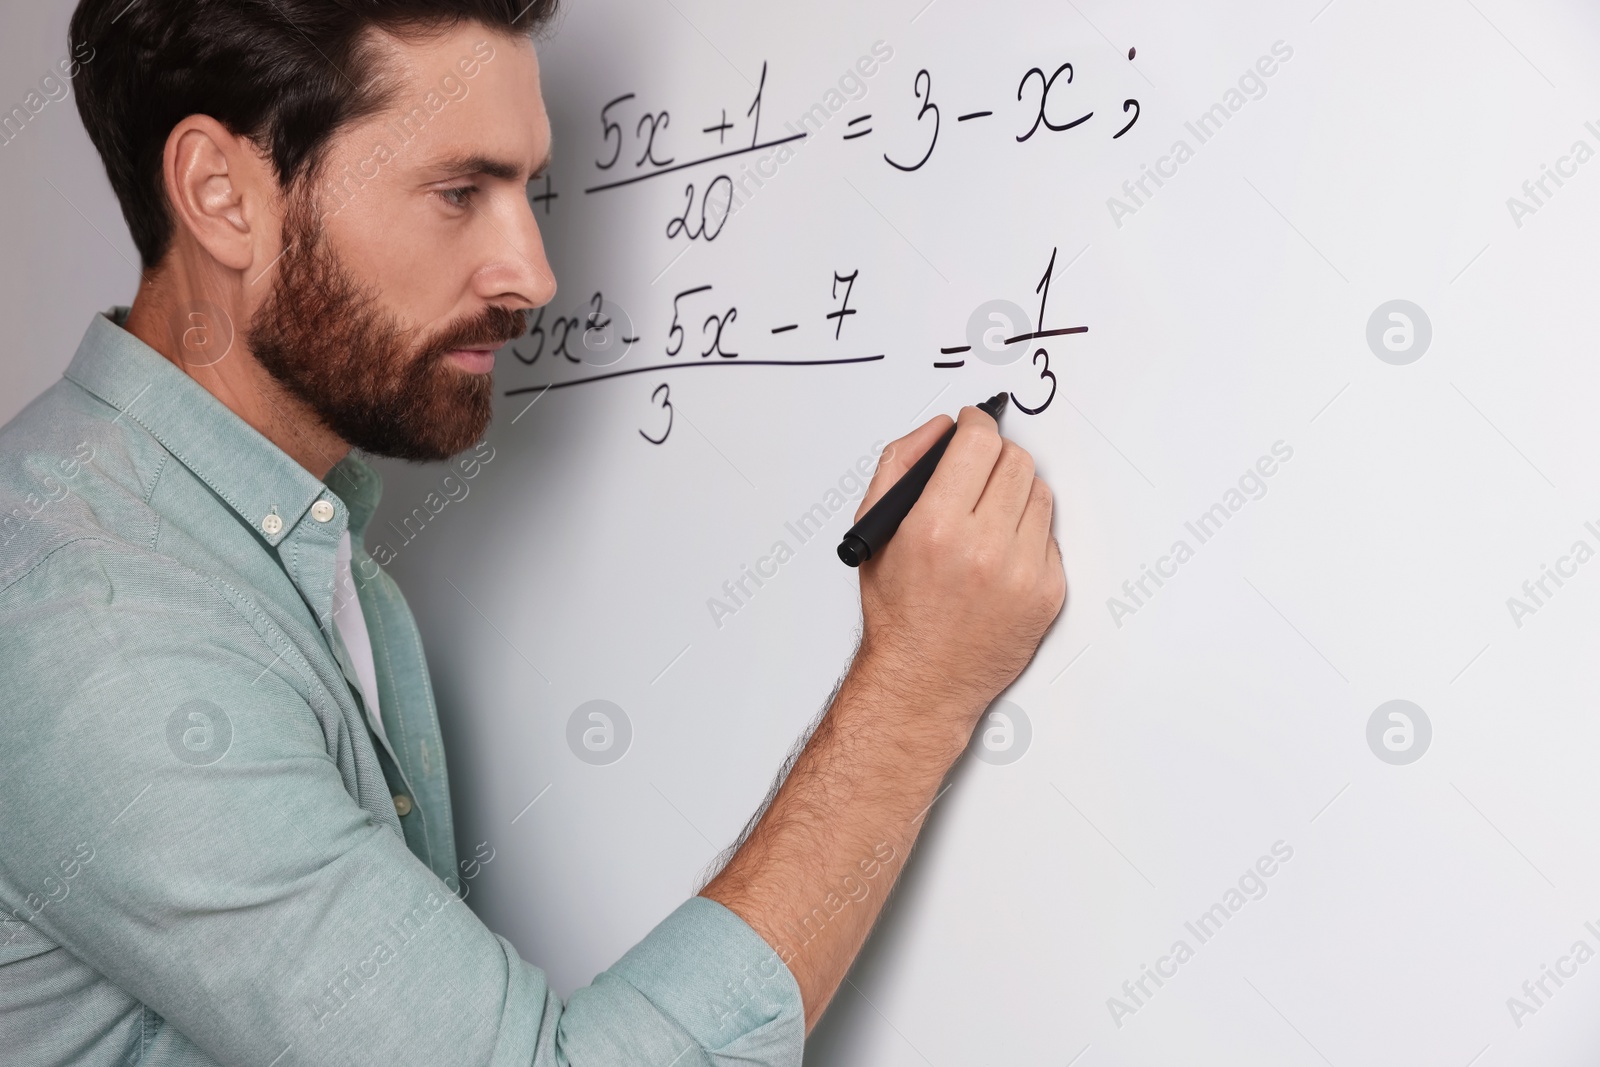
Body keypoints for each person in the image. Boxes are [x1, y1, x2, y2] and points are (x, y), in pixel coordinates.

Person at [0, 1, 1066, 1063]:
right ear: (221, 195)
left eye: (528, 189)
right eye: (459, 192)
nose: (534, 275)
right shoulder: (104, 633)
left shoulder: (271, 533)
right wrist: (916, 685)